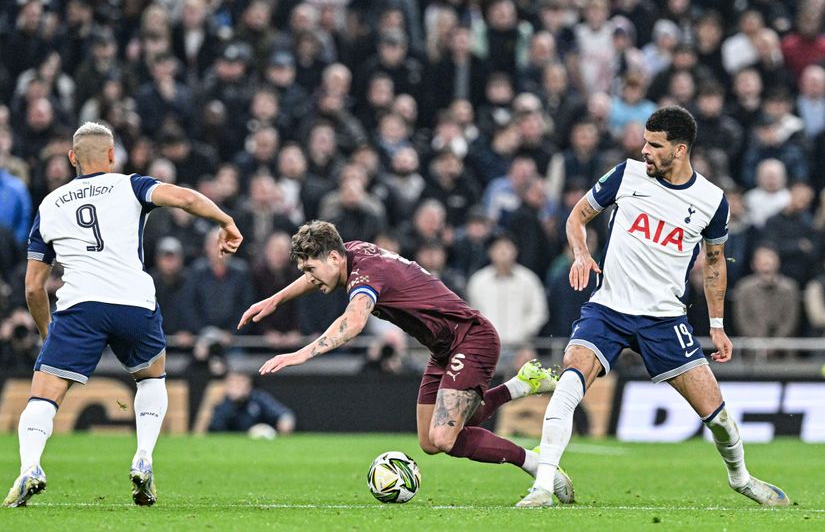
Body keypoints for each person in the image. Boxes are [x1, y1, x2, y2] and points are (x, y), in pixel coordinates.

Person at [518, 106, 790, 508]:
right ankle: (542, 486)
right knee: (570, 382)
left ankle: (742, 478)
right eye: (644, 141)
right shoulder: (625, 174)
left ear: (679, 150)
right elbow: (577, 216)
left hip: (664, 319)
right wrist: (580, 253)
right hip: (608, 309)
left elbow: (714, 263)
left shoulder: (712, 201)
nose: (644, 150)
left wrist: (717, 324)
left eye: (654, 145)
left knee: (718, 417)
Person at [237, 220, 574, 503]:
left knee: (445, 437)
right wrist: (276, 299)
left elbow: (354, 323)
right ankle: (520, 384)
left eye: (311, 268)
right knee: (430, 442)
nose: (310, 276)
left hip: (471, 339)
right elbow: (317, 276)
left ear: (335, 258)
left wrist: (301, 353)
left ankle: (539, 464)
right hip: (443, 348)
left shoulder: (366, 274)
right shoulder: (349, 250)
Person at [3, 122, 242, 508]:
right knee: (151, 377)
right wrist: (225, 221)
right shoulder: (131, 185)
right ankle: (143, 457)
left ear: (71, 159)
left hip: (81, 307)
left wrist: (48, 331)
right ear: (112, 155)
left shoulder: (50, 205)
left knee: (44, 396)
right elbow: (183, 197)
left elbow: (33, 287)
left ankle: (30, 465)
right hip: (134, 303)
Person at [208, 372, 295, 436]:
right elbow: (215, 428)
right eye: (233, 384)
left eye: (240, 383)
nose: (236, 387)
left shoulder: (258, 398)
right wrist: (232, 403)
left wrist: (285, 420)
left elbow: (282, 413)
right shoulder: (223, 402)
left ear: (248, 385)